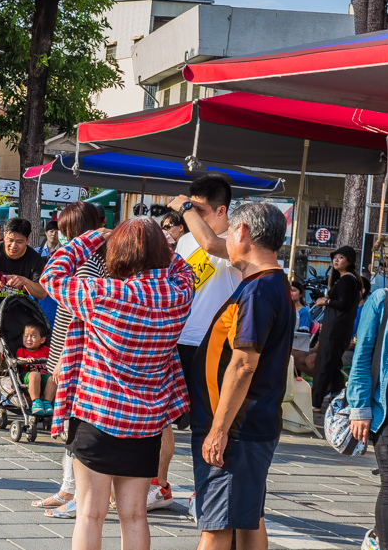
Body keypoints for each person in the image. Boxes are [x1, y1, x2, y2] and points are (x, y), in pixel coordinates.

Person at [41, 217, 194, 550]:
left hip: (98, 414)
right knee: (136, 514)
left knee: (90, 513)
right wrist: (159, 243)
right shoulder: (179, 292)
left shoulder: (104, 293)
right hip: (147, 423)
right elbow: (184, 268)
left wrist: (91, 239)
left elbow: (51, 276)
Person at [188, 202, 292, 550]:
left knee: (217, 526)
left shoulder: (260, 290)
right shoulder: (267, 284)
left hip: (235, 427)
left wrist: (218, 430)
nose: (226, 238)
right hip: (245, 424)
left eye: (229, 230)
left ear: (243, 232)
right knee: (248, 518)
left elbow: (243, 364)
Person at [158, 174, 241, 511]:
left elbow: (212, 246)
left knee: (207, 424)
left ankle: (204, 491)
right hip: (177, 340)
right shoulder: (187, 240)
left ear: (222, 210)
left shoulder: (237, 240)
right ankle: (159, 485)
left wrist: (186, 209)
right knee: (159, 419)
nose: (190, 215)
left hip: (214, 346)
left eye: (200, 209)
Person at [34, 201, 107, 519]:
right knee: (74, 423)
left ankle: (77, 494)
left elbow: (81, 313)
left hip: (75, 353)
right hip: (70, 349)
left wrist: (64, 359)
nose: (62, 238)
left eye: (66, 232)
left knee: (77, 425)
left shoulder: (87, 262)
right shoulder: (90, 258)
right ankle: (69, 489)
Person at [349, 287, 388, 550]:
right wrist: (360, 408)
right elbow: (362, 355)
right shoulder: (383, 300)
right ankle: (381, 543)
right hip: (386, 410)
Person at [312, 245, 362, 409]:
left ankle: (316, 402)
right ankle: (338, 400)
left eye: (340, 257)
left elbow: (343, 304)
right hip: (336, 329)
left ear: (349, 261)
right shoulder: (345, 280)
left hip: (336, 330)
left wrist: (324, 301)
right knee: (333, 366)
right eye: (335, 257)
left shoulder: (348, 280)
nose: (336, 260)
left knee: (325, 364)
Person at [17, 321, 54, 416]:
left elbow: (54, 357)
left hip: (44, 376)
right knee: (34, 375)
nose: (28, 339)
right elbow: (18, 359)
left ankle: (47, 402)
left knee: (53, 378)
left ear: (42, 340)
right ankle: (36, 402)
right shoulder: (22, 351)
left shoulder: (45, 350)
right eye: (26, 336)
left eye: (33, 336)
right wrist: (25, 359)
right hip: (27, 376)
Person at [291, 280, 316, 377]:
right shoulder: (286, 310)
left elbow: (302, 334)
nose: (291, 293)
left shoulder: (304, 312)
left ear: (301, 294)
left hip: (297, 344)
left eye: (294, 290)